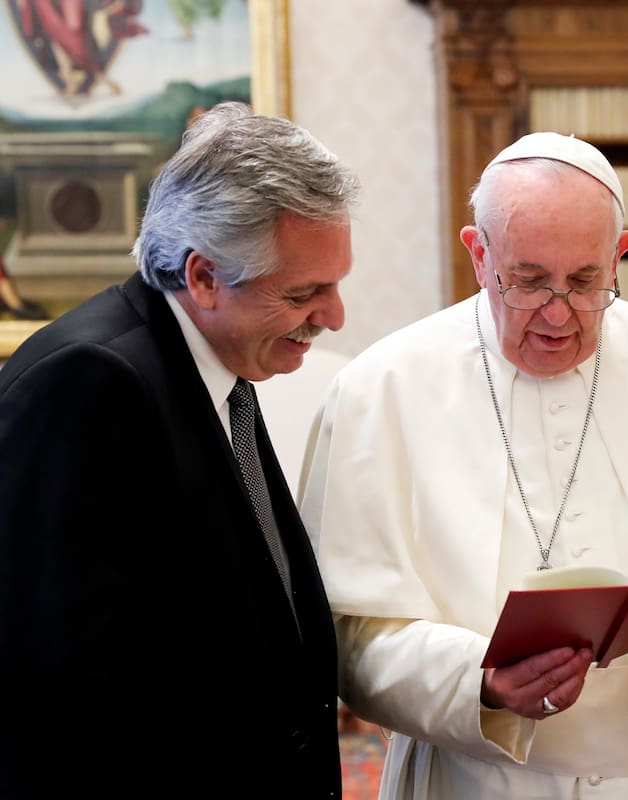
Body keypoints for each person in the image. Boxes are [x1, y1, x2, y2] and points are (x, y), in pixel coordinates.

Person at [298, 131, 628, 799]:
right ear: (478, 254)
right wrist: (477, 679)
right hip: (477, 780)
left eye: (585, 282)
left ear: (618, 255)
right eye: (527, 281)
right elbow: (347, 634)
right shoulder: (381, 388)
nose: (557, 314)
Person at [0, 101, 359, 798]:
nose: (334, 316)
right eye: (304, 293)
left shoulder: (220, 363)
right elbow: (52, 695)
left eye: (336, 284)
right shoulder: (88, 381)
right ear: (203, 278)